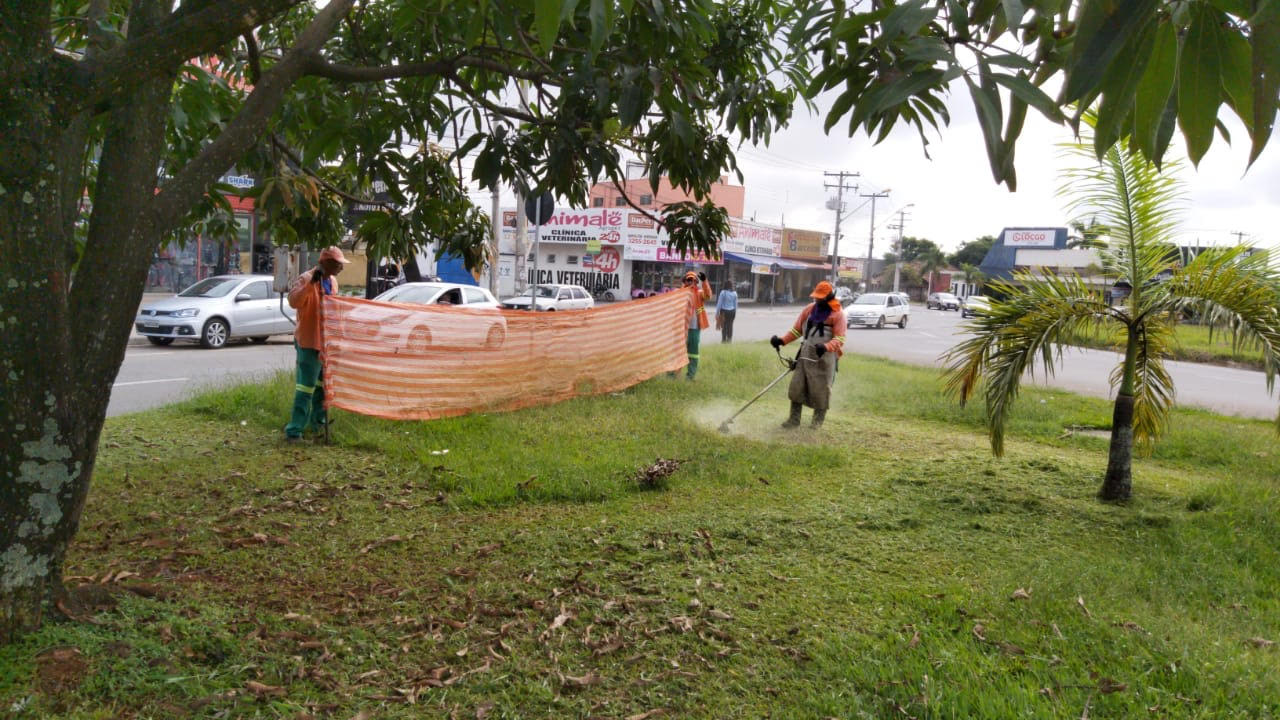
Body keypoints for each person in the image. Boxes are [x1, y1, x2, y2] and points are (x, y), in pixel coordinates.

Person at [284, 246, 350, 442]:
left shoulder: (333, 282)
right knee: (306, 388)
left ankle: (318, 423)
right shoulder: (306, 278)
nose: (341, 268)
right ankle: (294, 431)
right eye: (338, 264)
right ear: (325, 263)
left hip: (326, 343)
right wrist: (312, 283)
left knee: (323, 387)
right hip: (309, 342)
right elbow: (294, 301)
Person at [770, 280, 846, 429]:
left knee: (821, 391)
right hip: (805, 354)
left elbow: (840, 338)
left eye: (821, 298)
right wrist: (782, 341)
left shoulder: (838, 314)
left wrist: (826, 346)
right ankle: (794, 420)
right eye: (816, 297)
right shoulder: (809, 309)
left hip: (825, 358)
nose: (817, 300)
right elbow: (796, 330)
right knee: (797, 387)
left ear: (829, 297)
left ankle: (816, 424)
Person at [670, 270, 712, 380]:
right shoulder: (679, 293)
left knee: (693, 353)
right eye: (688, 280)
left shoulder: (699, 293)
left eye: (692, 280)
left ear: (696, 282)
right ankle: (672, 375)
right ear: (684, 281)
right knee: (677, 351)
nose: (690, 282)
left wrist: (705, 281)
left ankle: (690, 376)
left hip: (694, 328)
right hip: (680, 328)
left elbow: (708, 295)